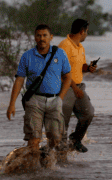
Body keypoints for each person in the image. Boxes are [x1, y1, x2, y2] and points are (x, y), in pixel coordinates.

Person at [7, 24, 72, 153]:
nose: (41, 38)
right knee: (33, 139)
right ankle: (34, 170)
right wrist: (12, 104)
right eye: (38, 35)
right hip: (34, 101)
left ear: (51, 37)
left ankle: (45, 158)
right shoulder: (27, 56)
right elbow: (19, 80)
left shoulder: (60, 53)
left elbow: (68, 77)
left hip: (54, 100)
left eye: (44, 35)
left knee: (55, 138)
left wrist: (60, 98)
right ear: (35, 37)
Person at [59, 18, 97, 152]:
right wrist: (74, 88)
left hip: (79, 87)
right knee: (64, 121)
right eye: (86, 32)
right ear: (82, 31)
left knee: (88, 113)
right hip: (66, 87)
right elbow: (62, 71)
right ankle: (60, 151)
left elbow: (80, 66)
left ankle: (75, 140)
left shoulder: (81, 47)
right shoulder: (64, 46)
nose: (86, 34)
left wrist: (89, 68)